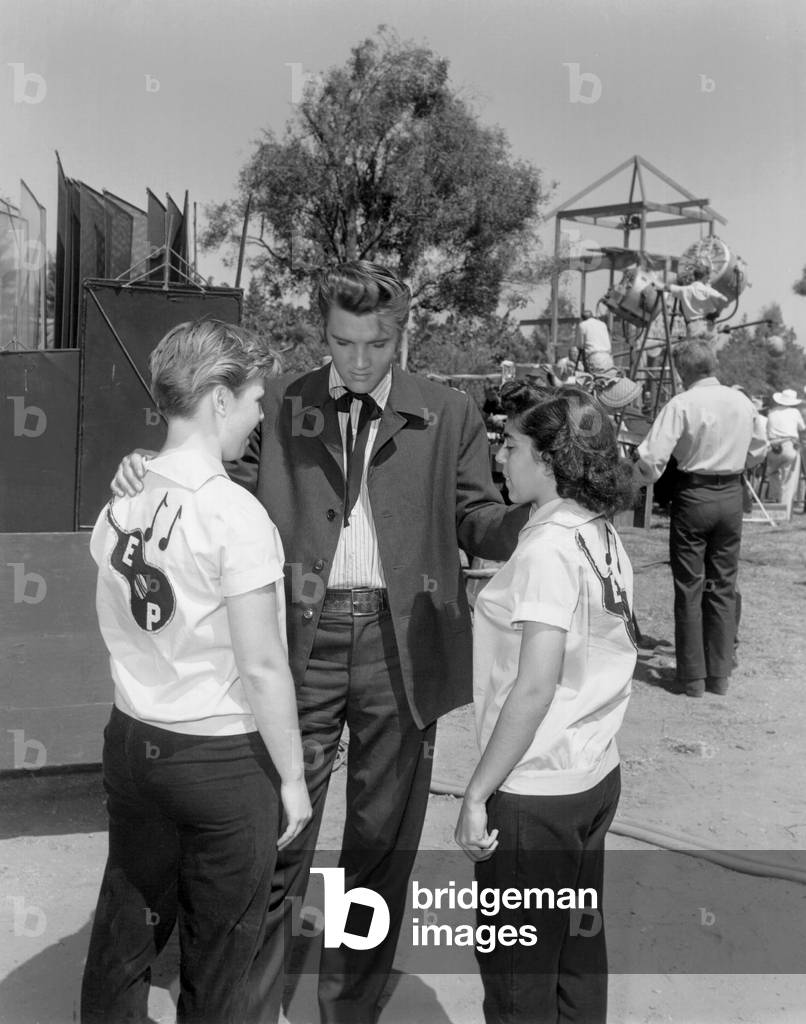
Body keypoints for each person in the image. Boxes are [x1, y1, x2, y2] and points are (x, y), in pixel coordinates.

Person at [111, 261, 528, 1024]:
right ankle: (250, 1004)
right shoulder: (286, 402)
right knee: (276, 832)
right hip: (294, 640)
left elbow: (477, 519)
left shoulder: (449, 411)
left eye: (377, 343)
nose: (359, 361)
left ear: (405, 333)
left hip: (403, 647)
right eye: (342, 342)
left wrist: (537, 512)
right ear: (322, 333)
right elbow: (211, 472)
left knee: (378, 844)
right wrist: (151, 470)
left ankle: (347, 1009)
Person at [83, 320, 311, 1024]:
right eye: (253, 399)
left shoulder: (118, 505)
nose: (258, 415)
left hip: (134, 745)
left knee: (126, 928)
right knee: (221, 959)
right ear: (217, 398)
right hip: (220, 763)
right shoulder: (236, 517)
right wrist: (295, 780)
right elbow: (265, 665)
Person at [455, 382, 637, 1024]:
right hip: (591, 771)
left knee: (517, 976)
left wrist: (477, 795)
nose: (501, 458)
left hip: (537, 792)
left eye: (510, 445)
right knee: (576, 955)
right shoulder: (598, 532)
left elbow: (533, 687)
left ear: (550, 459)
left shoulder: (547, 547)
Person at [635, 341, 767, 697]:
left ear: (682, 371)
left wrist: (634, 481)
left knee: (690, 586)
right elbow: (758, 451)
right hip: (731, 496)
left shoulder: (681, 404)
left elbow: (651, 460)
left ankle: (692, 677)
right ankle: (720, 675)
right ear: (713, 364)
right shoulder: (742, 401)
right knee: (723, 585)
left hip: (694, 494)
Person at [659, 262, 730, 343]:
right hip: (709, 328)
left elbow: (666, 287)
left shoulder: (684, 290)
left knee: (693, 353)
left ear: (694, 276)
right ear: (705, 277)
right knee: (708, 354)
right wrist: (717, 312)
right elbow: (725, 301)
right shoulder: (709, 291)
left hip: (694, 328)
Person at [765, 387, 805, 519]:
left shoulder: (771, 413)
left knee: (772, 473)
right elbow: (802, 428)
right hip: (789, 445)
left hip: (773, 446)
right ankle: (785, 510)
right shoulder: (794, 412)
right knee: (790, 479)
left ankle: (776, 498)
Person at [578, 310, 615, 375]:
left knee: (597, 380)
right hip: (608, 357)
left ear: (583, 318)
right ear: (592, 316)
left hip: (595, 357)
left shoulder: (583, 325)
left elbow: (581, 346)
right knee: (609, 379)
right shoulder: (602, 324)